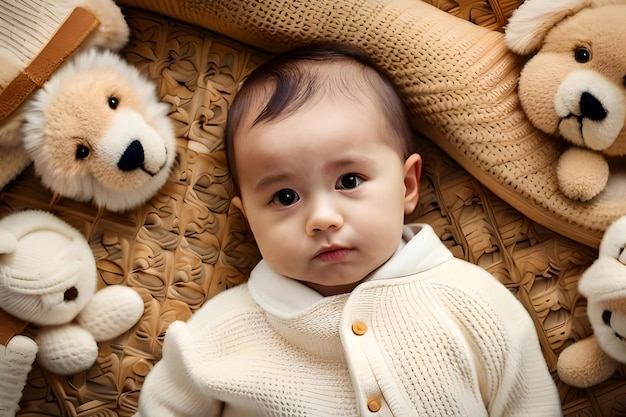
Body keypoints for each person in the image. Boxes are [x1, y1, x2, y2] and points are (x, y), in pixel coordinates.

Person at [134, 43, 562, 416]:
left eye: (349, 181)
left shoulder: (471, 302)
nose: (322, 218)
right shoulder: (222, 332)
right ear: (249, 220)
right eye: (285, 197)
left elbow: (530, 403)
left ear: (407, 185)